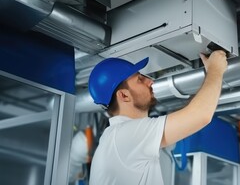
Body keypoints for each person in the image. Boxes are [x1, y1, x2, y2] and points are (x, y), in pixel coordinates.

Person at [87, 50, 228, 185]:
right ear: (124, 96)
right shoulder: (124, 135)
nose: (150, 81)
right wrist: (215, 68)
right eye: (140, 79)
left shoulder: (118, 137)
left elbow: (191, 114)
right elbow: (200, 115)